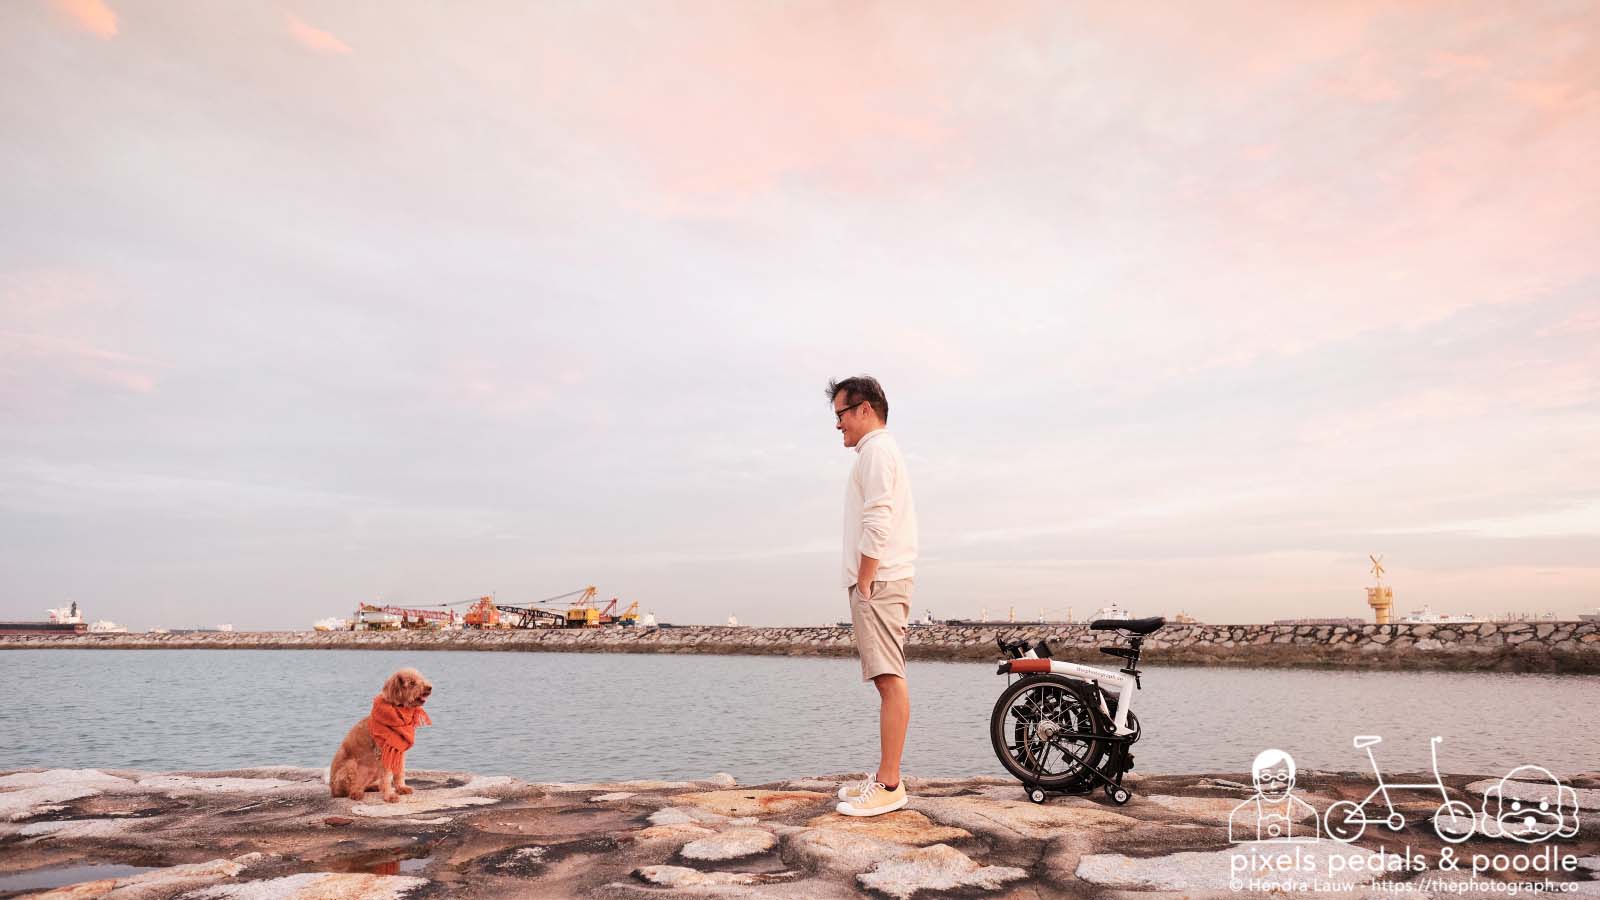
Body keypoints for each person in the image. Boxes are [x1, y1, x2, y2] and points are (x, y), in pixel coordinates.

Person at [828, 375, 918, 817]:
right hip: (881, 579)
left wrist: (865, 579)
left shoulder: (878, 451)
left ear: (864, 409)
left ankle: (889, 784)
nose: (837, 425)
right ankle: (885, 775)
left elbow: (878, 517)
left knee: (888, 678)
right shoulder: (876, 452)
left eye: (841, 415)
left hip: (880, 581)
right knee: (886, 677)